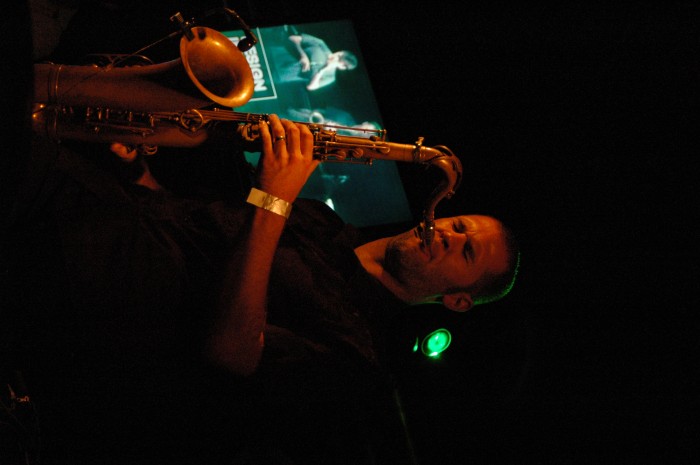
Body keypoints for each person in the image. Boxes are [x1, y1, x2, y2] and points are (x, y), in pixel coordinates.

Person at [270, 30, 359, 91]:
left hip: (279, 75)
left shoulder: (330, 77)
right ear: (340, 51)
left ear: (342, 67)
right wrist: (303, 55)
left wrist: (322, 70)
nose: (335, 58)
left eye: (339, 61)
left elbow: (310, 87)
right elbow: (293, 38)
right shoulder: (321, 44)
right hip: (274, 55)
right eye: (339, 55)